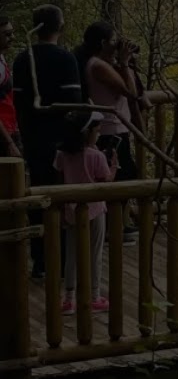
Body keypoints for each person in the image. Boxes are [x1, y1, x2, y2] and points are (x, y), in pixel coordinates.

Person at [13, 5, 82, 279]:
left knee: (39, 198)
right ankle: (64, 261)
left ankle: (41, 259)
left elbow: (19, 102)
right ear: (60, 27)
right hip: (61, 143)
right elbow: (74, 106)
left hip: (33, 140)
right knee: (64, 202)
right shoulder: (65, 59)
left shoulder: (22, 59)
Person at [82, 22, 141, 244]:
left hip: (116, 127)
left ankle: (116, 224)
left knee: (125, 176)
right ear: (102, 43)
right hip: (110, 130)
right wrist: (124, 64)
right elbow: (130, 93)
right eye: (114, 40)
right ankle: (111, 227)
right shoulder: (98, 65)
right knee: (121, 178)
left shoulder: (105, 64)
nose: (117, 45)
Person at [55, 111, 116, 313]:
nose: (99, 134)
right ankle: (94, 296)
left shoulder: (62, 154)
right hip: (95, 209)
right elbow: (105, 181)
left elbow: (60, 173)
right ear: (87, 133)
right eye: (97, 131)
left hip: (71, 208)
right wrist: (113, 167)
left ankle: (68, 299)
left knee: (71, 253)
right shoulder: (97, 156)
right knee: (95, 252)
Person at [0, 16, 20, 157]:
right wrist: (9, 143)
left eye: (12, 33)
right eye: (7, 34)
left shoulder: (2, 58)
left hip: (9, 129)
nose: (12, 37)